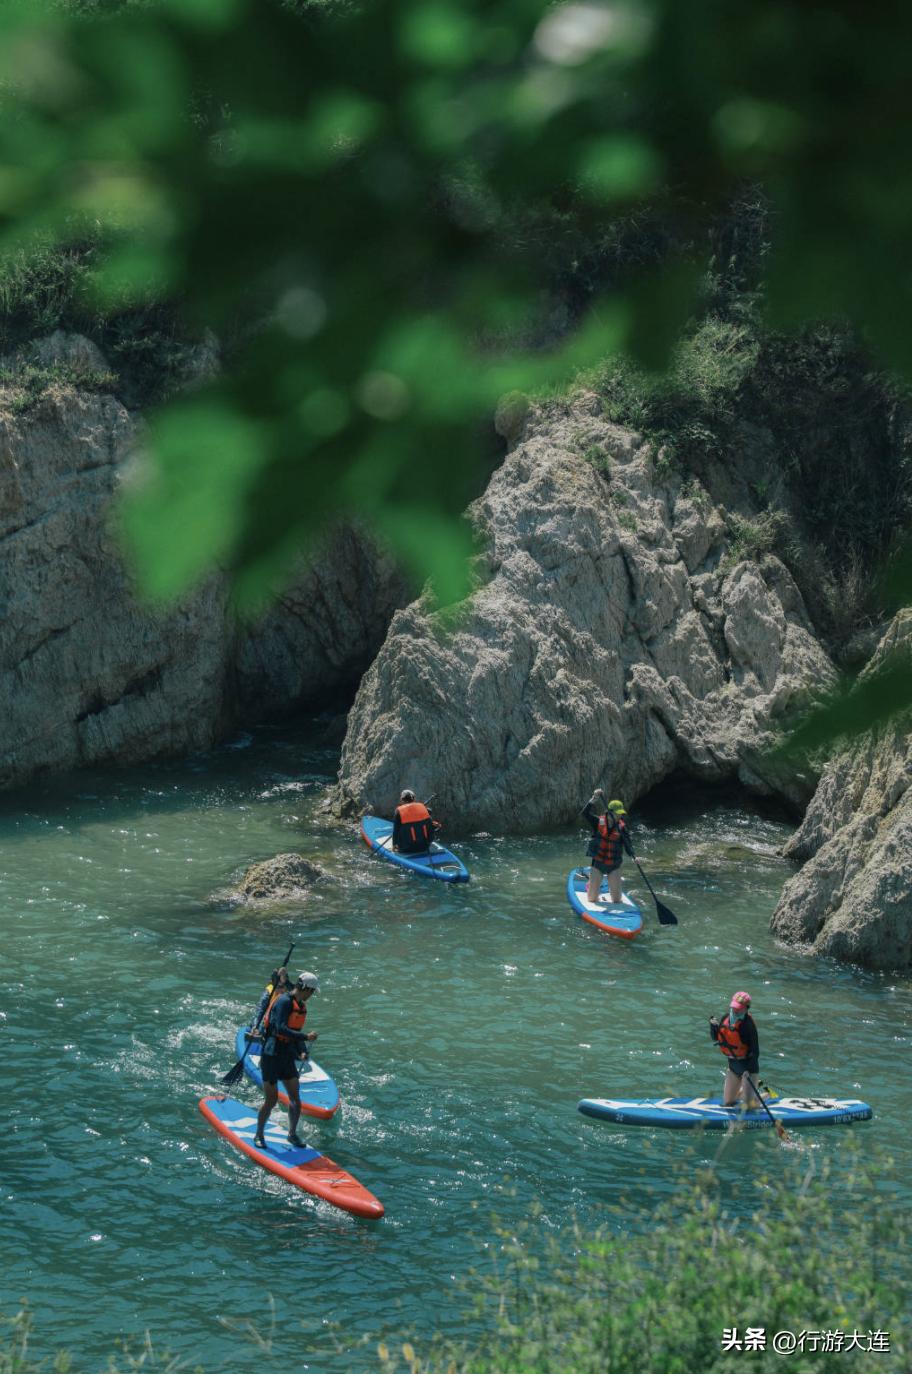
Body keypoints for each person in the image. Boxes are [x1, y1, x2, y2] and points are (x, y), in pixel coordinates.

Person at [253, 971, 320, 1149]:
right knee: (271, 1100)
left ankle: (292, 1134)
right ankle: (259, 1134)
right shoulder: (283, 1002)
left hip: (286, 1056)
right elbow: (280, 1029)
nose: (312, 996)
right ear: (305, 988)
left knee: (295, 1098)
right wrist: (305, 1037)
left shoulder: (300, 1005)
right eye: (312, 991)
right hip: (271, 1055)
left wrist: (302, 1050)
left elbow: (294, 1030)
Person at [709, 990, 763, 1107]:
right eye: (734, 1007)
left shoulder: (748, 1025)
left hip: (748, 1068)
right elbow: (716, 1038)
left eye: (739, 1008)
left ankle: (764, 1094)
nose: (735, 1010)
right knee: (728, 1102)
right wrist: (713, 1027)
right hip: (733, 1066)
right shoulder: (725, 1018)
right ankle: (751, 1089)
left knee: (748, 1106)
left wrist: (748, 1070)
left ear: (746, 1008)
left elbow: (755, 1051)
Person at [582, 789, 633, 905]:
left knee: (616, 900)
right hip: (598, 863)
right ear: (609, 812)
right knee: (592, 899)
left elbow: (628, 844)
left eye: (621, 813)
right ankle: (591, 885)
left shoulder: (622, 827)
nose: (620, 815)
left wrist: (634, 857)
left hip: (614, 864)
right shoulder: (598, 822)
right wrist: (593, 799)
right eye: (617, 813)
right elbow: (585, 814)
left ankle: (600, 885)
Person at [392, 788, 440, 854]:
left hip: (406, 849)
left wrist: (394, 845)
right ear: (414, 799)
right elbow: (430, 826)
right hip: (424, 846)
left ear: (402, 800)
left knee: (401, 829)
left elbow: (395, 831)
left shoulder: (399, 811)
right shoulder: (423, 808)